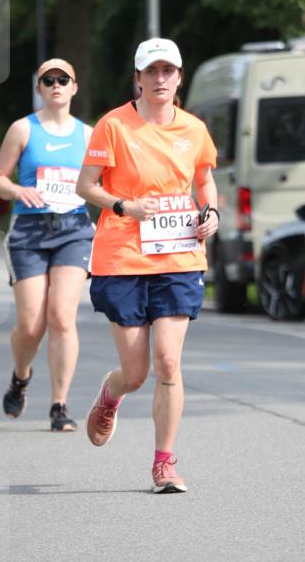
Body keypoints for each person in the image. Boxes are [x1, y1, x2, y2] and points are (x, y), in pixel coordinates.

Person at [76, 37, 219, 493]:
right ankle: (111, 394)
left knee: (169, 363)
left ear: (179, 77)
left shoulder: (194, 129)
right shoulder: (113, 126)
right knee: (136, 373)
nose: (160, 79)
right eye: (151, 71)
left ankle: (164, 464)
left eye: (168, 71)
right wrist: (123, 206)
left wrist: (212, 213)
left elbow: (205, 180)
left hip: (178, 255)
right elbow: (86, 186)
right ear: (137, 78)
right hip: (123, 257)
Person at [0, 58, 95, 432]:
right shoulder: (23, 129)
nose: (55, 84)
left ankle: (59, 405)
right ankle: (21, 376)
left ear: (74, 87)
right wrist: (19, 189)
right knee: (31, 326)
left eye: (62, 79)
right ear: (39, 87)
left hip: (73, 229)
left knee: (62, 317)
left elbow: (100, 184)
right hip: (29, 233)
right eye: (47, 79)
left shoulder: (89, 135)